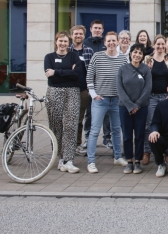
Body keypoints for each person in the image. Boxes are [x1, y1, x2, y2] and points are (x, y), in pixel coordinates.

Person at [86, 31, 128, 173]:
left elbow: (125, 79)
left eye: (113, 41)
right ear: (105, 43)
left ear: (118, 42)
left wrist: (122, 95)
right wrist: (94, 95)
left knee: (116, 130)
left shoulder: (123, 59)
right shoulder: (97, 57)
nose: (111, 43)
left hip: (116, 100)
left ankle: (117, 157)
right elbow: (89, 77)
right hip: (101, 100)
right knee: (94, 131)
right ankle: (91, 162)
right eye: (108, 41)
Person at [45, 31, 82, 174]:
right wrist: (67, 72)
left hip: (72, 92)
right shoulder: (49, 57)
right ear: (56, 42)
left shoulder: (74, 56)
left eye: (65, 41)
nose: (63, 44)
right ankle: (60, 157)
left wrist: (56, 72)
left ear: (69, 43)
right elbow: (49, 76)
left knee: (71, 125)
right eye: (60, 41)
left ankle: (69, 160)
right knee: (56, 126)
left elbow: (77, 74)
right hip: (54, 92)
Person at [116, 43, 151, 174]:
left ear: (143, 56)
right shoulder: (122, 69)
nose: (137, 55)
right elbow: (120, 89)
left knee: (140, 135)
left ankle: (137, 162)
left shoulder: (146, 69)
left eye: (140, 53)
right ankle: (129, 161)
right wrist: (130, 106)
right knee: (127, 135)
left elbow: (148, 88)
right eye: (135, 52)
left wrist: (137, 105)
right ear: (130, 54)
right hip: (124, 108)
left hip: (141, 108)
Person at [142, 35, 168, 165]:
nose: (160, 46)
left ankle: (166, 152)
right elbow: (143, 77)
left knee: (166, 125)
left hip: (165, 96)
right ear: (154, 45)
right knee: (149, 124)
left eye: (162, 44)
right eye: (158, 44)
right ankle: (147, 151)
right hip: (151, 96)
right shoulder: (148, 59)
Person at [69, 25, 94, 157]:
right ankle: (67, 145)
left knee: (79, 119)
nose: (78, 36)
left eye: (80, 34)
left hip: (84, 89)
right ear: (71, 35)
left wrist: (91, 88)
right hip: (69, 89)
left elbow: (93, 70)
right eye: (76, 34)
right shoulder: (67, 50)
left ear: (84, 36)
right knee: (69, 118)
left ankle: (77, 145)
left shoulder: (89, 51)